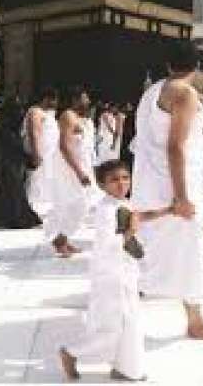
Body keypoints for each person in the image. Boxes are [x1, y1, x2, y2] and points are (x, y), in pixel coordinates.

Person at [131, 40, 203, 343]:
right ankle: (196, 322)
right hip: (175, 185)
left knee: (152, 250)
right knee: (189, 253)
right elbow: (175, 147)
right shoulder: (184, 93)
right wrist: (182, 197)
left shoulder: (152, 92)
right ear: (197, 66)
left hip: (151, 183)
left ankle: (121, 307)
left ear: (167, 64)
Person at [59, 160, 171, 382]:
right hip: (112, 275)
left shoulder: (121, 203)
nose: (121, 184)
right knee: (112, 326)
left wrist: (167, 210)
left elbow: (137, 215)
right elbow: (108, 243)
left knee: (130, 323)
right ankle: (71, 352)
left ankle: (126, 368)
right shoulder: (105, 210)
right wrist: (130, 232)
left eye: (125, 178)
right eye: (114, 180)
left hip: (125, 271)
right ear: (102, 185)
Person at [45, 87, 95, 257]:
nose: (88, 101)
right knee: (74, 204)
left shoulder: (80, 117)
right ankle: (59, 241)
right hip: (69, 168)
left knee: (81, 204)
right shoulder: (68, 116)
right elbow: (64, 146)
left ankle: (63, 239)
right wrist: (79, 172)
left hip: (81, 164)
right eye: (85, 98)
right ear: (75, 99)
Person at [0, 96, 41, 229]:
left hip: (5, 165)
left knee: (4, 190)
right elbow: (15, 147)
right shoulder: (9, 130)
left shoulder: (3, 127)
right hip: (10, 165)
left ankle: (2, 216)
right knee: (13, 191)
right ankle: (14, 217)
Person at [22, 88, 59, 216]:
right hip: (40, 154)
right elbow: (34, 133)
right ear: (46, 99)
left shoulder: (46, 113)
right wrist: (36, 153)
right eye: (54, 99)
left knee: (45, 182)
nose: (55, 103)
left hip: (49, 155)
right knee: (35, 182)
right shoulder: (35, 111)